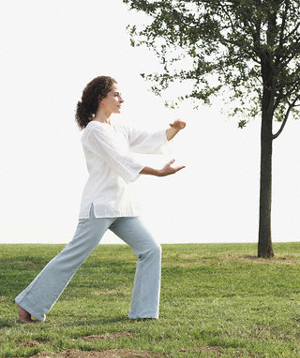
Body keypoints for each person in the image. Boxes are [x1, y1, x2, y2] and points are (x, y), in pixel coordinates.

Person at [15, 75, 186, 323]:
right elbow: (122, 160)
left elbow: (150, 139)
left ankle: (144, 314)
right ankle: (28, 303)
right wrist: (158, 172)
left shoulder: (119, 129)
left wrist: (174, 129)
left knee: (150, 249)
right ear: (100, 99)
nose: (121, 99)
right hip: (100, 206)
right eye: (115, 94)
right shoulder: (94, 131)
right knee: (74, 255)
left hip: (122, 206)